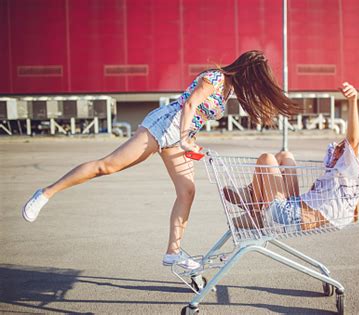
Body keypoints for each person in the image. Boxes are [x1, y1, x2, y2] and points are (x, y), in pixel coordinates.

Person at [22, 50, 299, 269]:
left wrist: (191, 140)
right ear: (246, 72)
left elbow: (197, 116)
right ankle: (45, 193)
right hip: (164, 126)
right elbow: (189, 105)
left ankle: (173, 253)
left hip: (179, 135)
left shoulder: (228, 90)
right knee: (106, 166)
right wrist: (185, 137)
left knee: (187, 191)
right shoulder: (214, 78)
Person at [224, 82, 359, 231]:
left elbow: (353, 141)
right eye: (338, 147)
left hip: (288, 216)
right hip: (292, 209)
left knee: (266, 159)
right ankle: (251, 194)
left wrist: (353, 100)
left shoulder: (352, 169)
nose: (336, 151)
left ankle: (255, 213)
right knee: (286, 156)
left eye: (342, 149)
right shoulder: (342, 177)